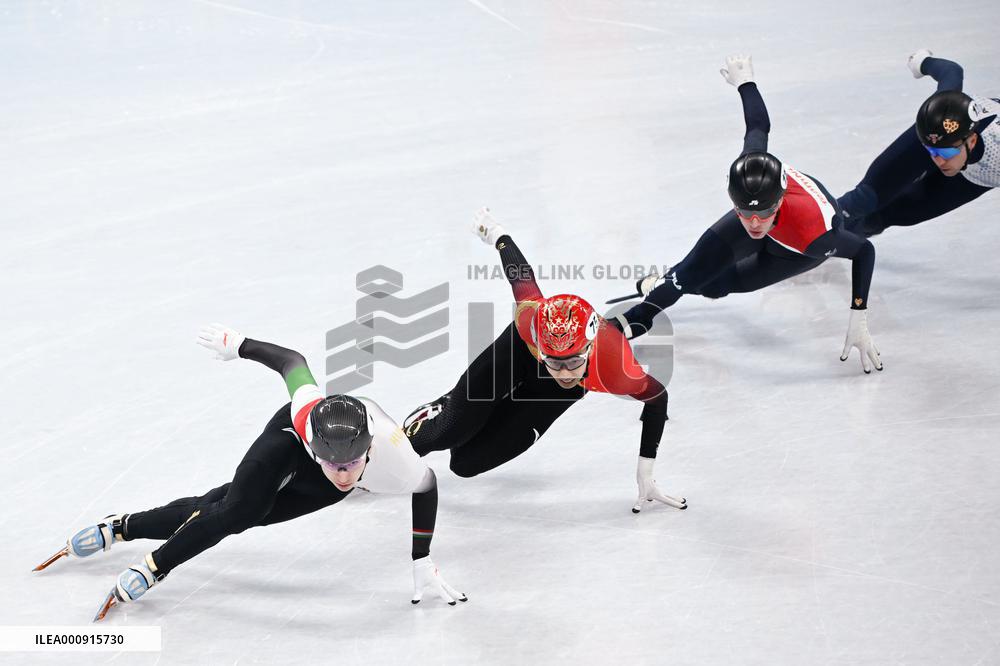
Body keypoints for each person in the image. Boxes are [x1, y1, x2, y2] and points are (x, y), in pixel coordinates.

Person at [34, 326, 465, 620]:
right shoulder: (304, 412)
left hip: (315, 471)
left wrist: (422, 556)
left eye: (352, 465)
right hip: (285, 445)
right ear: (318, 448)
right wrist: (238, 344)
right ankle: (153, 567)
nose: (343, 475)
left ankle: (120, 527)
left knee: (222, 507)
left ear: (368, 449)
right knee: (235, 513)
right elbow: (292, 361)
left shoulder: (394, 453)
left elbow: (427, 486)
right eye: (333, 464)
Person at [608, 55, 882, 374]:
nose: (754, 223)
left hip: (793, 250)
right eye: (743, 212)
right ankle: (641, 316)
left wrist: (858, 314)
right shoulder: (752, 167)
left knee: (717, 286)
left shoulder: (816, 235)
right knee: (692, 270)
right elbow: (758, 125)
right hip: (782, 224)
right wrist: (745, 82)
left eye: (763, 213)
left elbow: (864, 250)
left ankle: (668, 282)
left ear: (779, 200)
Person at [403, 208, 684, 514]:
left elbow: (658, 399)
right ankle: (441, 409)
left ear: (589, 349)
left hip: (554, 379)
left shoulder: (615, 367)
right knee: (449, 431)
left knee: (465, 463)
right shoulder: (529, 317)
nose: (564, 372)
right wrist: (496, 233)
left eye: (573, 362)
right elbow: (520, 275)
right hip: (520, 350)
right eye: (556, 362)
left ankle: (475, 406)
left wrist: (645, 474)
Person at [837, 49, 999, 237]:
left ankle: (837, 243)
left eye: (945, 154)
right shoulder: (943, 106)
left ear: (971, 141)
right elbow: (952, 71)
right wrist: (922, 62)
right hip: (945, 136)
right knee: (865, 199)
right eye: (931, 151)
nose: (938, 160)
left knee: (890, 215)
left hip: (979, 176)